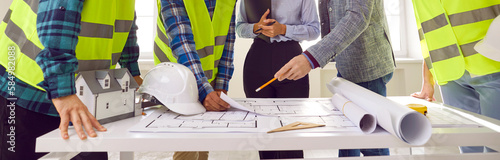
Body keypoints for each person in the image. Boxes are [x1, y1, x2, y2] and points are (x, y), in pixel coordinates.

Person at [0, 0, 142, 159]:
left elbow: (122, 19)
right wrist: (63, 92)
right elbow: (58, 18)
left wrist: (131, 71)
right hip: (28, 84)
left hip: (80, 90)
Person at [274, 0, 395, 157]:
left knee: (372, 145)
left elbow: (358, 17)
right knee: (347, 140)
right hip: (347, 64)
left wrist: (312, 58)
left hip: (368, 66)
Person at [410, 0, 500, 153]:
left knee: (495, 146)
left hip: (491, 63)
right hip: (449, 73)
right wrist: (428, 81)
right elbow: (430, 34)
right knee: (467, 147)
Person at [235, 0, 319, 159]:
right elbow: (239, 28)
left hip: (291, 57)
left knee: (291, 130)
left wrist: (283, 29)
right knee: (264, 133)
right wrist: (256, 27)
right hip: (257, 60)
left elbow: (314, 30)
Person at [154, 0, 237, 159]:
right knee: (188, 142)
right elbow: (182, 41)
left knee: (204, 138)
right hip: (177, 78)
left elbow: (228, 40)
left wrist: (221, 85)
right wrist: (204, 89)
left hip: (208, 77)